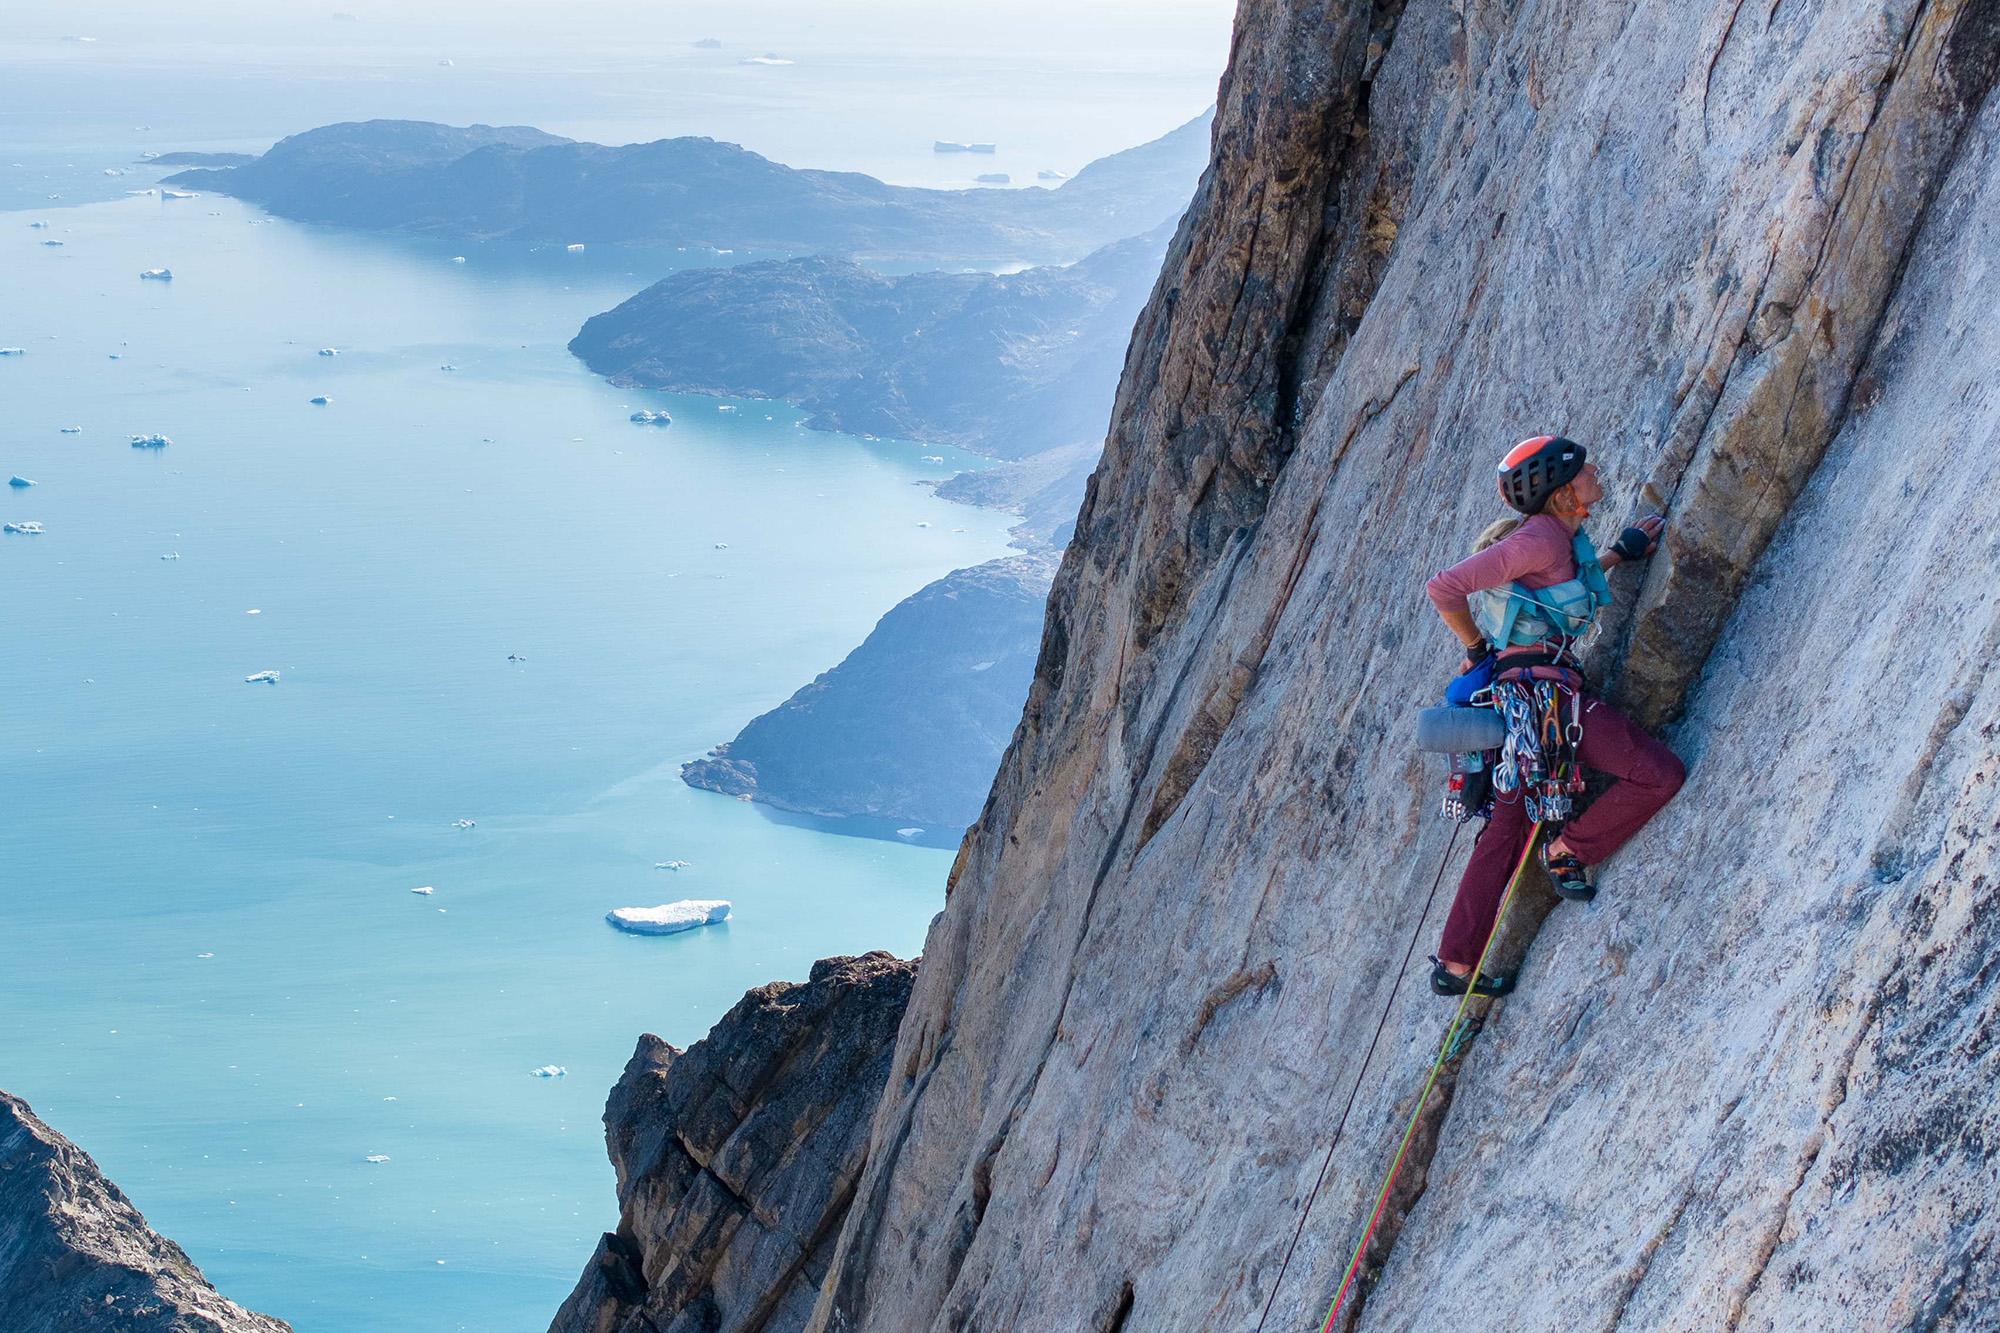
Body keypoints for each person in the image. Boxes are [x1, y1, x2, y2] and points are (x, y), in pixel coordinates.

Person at [1421, 436, 1685, 997]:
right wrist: (1472, 648)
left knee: (1504, 830)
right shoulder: (1540, 536)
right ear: (1563, 493)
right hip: (1546, 704)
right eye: (1583, 469)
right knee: (1660, 775)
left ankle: (1455, 963)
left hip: (1526, 705)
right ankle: (1569, 849)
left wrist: (1620, 551)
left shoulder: (1558, 537)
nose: (1595, 470)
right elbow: (1444, 588)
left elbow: (1561, 587)